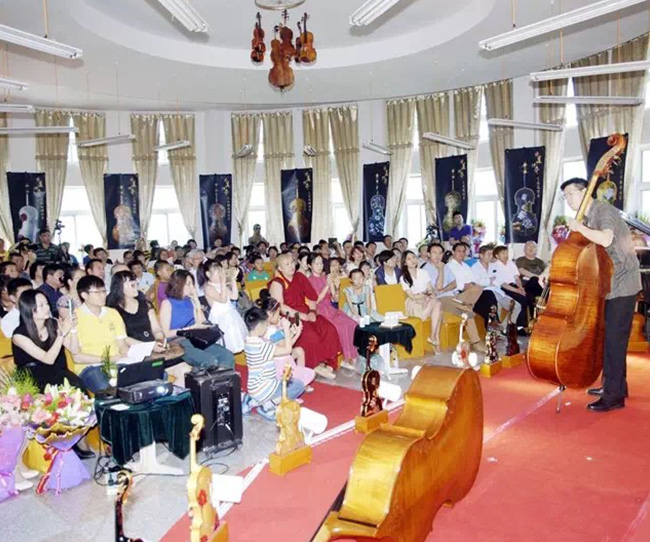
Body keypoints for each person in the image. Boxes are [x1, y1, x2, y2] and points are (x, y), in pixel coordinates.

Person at [561, 177, 641, 412]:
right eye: (565, 196)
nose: (568, 200)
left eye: (571, 194)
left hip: (622, 283)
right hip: (608, 284)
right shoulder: (587, 218)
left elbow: (606, 238)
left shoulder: (604, 210)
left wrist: (580, 228)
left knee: (614, 341)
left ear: (586, 191)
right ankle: (616, 386)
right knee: (611, 339)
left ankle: (613, 396)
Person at [107, 270, 191, 386]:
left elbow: (156, 328)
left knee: (187, 372)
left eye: (136, 284)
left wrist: (159, 339)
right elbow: (123, 338)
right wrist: (148, 346)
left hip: (155, 349)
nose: (136, 287)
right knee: (158, 376)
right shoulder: (113, 311)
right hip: (135, 352)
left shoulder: (145, 304)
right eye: (132, 285)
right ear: (120, 288)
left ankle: (171, 394)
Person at [268, 253, 342, 380]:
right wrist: (300, 315)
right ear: (280, 268)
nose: (291, 266)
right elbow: (280, 306)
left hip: (307, 313)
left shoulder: (300, 277)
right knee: (310, 335)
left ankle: (328, 364)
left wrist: (312, 311)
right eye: (287, 264)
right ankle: (314, 365)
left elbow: (312, 297)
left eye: (292, 262)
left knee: (329, 329)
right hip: (291, 317)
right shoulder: (277, 283)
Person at [159, 270, 235, 370]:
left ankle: (224, 378)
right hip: (178, 342)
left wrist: (196, 301)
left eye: (192, 284)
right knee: (209, 360)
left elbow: (202, 322)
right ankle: (211, 379)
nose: (192, 287)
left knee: (226, 355)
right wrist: (190, 328)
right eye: (188, 284)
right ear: (178, 285)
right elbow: (166, 333)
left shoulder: (190, 301)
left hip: (196, 339)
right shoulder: (167, 303)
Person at [12, 289, 83, 391]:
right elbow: (48, 359)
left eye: (46, 304)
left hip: (57, 371)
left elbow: (74, 350)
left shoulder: (54, 323)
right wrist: (62, 335)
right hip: (32, 377)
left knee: (78, 385)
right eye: (41, 305)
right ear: (29, 309)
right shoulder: (19, 335)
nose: (47, 308)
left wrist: (73, 329)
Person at [243, 307, 306, 420]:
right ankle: (267, 406)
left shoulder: (248, 341)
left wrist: (290, 332)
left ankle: (253, 401)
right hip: (265, 388)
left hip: (254, 387)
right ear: (259, 327)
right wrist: (286, 329)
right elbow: (287, 350)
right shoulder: (262, 346)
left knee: (285, 380)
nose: (266, 327)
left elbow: (272, 342)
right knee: (298, 386)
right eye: (265, 325)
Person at [423, 243, 486, 353]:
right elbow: (437, 288)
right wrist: (441, 270)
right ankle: (476, 342)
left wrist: (444, 289)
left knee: (477, 288)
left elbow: (454, 284)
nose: (437, 256)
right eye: (434, 253)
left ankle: (464, 306)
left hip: (453, 296)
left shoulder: (445, 266)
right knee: (466, 311)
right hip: (440, 300)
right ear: (428, 254)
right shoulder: (426, 269)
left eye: (440, 253)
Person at [72, 275, 129, 393]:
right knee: (108, 391)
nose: (103, 295)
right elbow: (77, 357)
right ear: (84, 295)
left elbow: (122, 345)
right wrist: (108, 359)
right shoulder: (75, 318)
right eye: (97, 292)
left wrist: (131, 357)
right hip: (91, 367)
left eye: (104, 291)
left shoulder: (113, 314)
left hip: (116, 364)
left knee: (144, 378)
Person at [308, 253, 358, 370]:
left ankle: (351, 356)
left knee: (352, 323)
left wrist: (337, 288)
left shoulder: (326, 278)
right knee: (340, 326)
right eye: (316, 264)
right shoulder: (309, 280)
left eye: (321, 263)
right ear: (310, 265)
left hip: (330, 308)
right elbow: (316, 300)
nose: (320, 266)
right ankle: (346, 358)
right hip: (319, 309)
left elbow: (335, 299)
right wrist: (327, 285)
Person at [257, 290, 315, 388]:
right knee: (298, 352)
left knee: (299, 351)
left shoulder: (271, 326)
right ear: (270, 314)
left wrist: (291, 331)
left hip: (282, 356)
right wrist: (297, 334)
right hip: (278, 362)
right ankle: (297, 384)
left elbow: (284, 340)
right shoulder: (270, 331)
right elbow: (287, 348)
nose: (279, 316)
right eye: (277, 314)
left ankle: (300, 382)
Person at [400, 250, 442, 350]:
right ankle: (434, 338)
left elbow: (430, 289)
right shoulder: (403, 277)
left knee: (437, 304)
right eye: (409, 259)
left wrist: (429, 295)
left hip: (426, 299)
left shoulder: (423, 272)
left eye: (414, 257)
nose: (412, 260)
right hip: (414, 304)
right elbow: (412, 297)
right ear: (405, 263)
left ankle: (433, 337)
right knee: (437, 306)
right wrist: (425, 295)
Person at [471, 246, 521, 329]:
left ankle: (503, 328)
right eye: (488, 254)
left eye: (491, 254)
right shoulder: (475, 267)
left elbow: (499, 280)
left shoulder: (494, 266)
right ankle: (496, 329)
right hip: (484, 293)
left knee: (516, 306)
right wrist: (489, 280)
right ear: (481, 255)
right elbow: (478, 283)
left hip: (498, 291)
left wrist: (489, 281)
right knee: (494, 305)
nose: (490, 256)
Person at [203, 260, 247, 353]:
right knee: (227, 345)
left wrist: (233, 280)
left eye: (221, 272)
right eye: (217, 273)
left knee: (238, 343)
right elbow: (222, 300)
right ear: (208, 274)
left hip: (231, 314)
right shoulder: (208, 287)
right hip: (220, 318)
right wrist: (223, 283)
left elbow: (234, 296)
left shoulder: (221, 284)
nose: (220, 275)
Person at [492, 245, 529, 329]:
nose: (506, 255)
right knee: (522, 300)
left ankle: (522, 325)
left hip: (515, 286)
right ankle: (519, 326)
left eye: (506, 253)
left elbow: (517, 278)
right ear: (497, 256)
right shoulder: (495, 266)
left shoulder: (511, 263)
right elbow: (503, 284)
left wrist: (520, 287)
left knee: (528, 298)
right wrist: (517, 290)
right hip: (505, 288)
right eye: (503, 253)